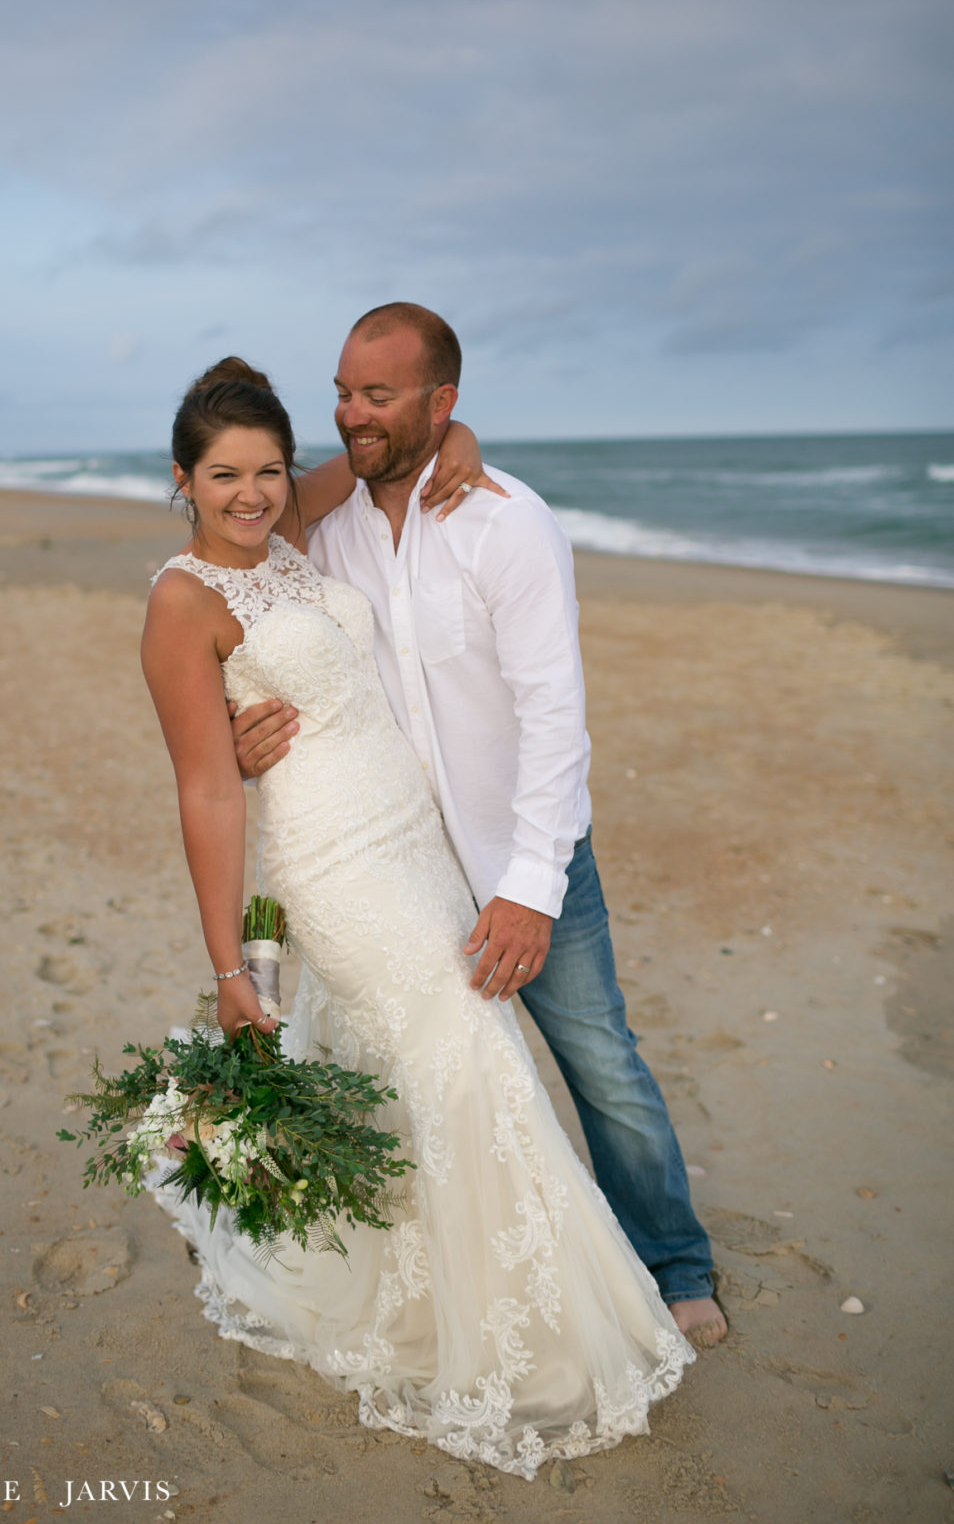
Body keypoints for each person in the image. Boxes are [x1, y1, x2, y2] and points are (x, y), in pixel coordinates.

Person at [141, 362, 693, 1481]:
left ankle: (465, 1283)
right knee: (467, 1056)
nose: (249, 494)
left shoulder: (294, 520)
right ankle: (522, 1343)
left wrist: (463, 433)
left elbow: (409, 446)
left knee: (442, 1063)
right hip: (333, 861)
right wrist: (230, 968)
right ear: (182, 480)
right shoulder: (181, 601)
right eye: (222, 476)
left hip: (414, 835)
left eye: (265, 470)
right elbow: (205, 789)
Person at [231, 305, 727, 1348]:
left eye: (378, 396)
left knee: (600, 1066)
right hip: (400, 866)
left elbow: (556, 720)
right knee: (444, 1083)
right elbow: (244, 564)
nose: (350, 414)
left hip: (519, 859)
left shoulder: (508, 524)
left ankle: (675, 1265)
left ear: (440, 401)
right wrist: (245, 732)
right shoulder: (329, 526)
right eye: (343, 391)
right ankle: (479, 1288)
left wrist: (528, 891)